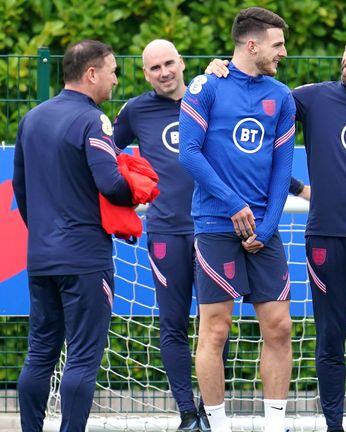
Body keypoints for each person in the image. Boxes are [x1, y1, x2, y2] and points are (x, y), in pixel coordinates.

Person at [207, 23, 346, 432]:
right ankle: (333, 426)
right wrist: (220, 68)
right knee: (329, 342)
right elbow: (257, 104)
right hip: (325, 240)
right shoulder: (313, 98)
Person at [178, 7, 296, 432]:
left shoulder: (282, 96)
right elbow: (188, 152)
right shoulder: (205, 86)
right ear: (252, 44)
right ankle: (219, 425)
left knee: (280, 327)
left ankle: (275, 425)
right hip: (214, 224)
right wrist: (232, 203)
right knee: (215, 330)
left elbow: (284, 166)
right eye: (277, 44)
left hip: (264, 230)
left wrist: (266, 227)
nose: (283, 51)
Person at [12, 39, 134, 432]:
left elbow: (20, 188)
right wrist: (140, 186)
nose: (117, 80)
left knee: (40, 355)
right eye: (113, 71)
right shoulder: (92, 119)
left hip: (42, 256)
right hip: (84, 258)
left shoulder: (32, 118)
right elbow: (111, 183)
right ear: (92, 73)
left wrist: (45, 232)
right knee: (82, 358)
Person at [112, 39, 212, 432]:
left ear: (182, 62)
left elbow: (244, 157)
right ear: (145, 74)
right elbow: (103, 154)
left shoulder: (209, 101)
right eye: (154, 68)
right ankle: (188, 414)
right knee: (173, 323)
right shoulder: (135, 111)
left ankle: (210, 411)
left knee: (213, 326)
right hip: (165, 232)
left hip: (212, 229)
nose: (164, 72)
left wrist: (296, 189)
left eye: (169, 63)